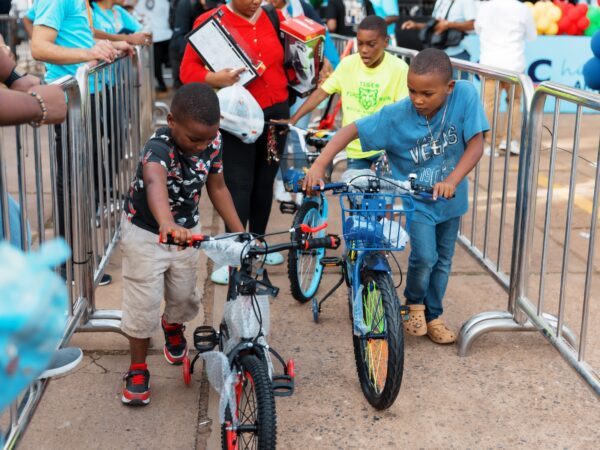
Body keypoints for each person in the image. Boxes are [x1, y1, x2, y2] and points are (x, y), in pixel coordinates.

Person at [303, 48, 489, 344]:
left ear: (448, 88)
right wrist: (320, 164)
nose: (418, 99)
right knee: (425, 257)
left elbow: (476, 145)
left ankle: (434, 315)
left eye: (427, 94)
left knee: (443, 261)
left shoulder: (464, 95)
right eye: (412, 90)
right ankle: (414, 304)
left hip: (452, 199)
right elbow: (350, 130)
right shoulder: (397, 115)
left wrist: (452, 180)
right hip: (417, 201)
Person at [120, 83, 244, 405]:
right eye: (194, 139)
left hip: (186, 232)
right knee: (142, 301)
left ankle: (172, 325)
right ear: (172, 121)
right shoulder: (157, 147)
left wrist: (239, 231)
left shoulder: (212, 141)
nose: (201, 146)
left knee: (184, 294)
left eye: (208, 139)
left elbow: (217, 187)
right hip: (146, 231)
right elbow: (154, 182)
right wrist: (166, 223)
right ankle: (137, 367)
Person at [180, 0, 291, 285]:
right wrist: (214, 77)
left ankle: (256, 246)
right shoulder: (211, 20)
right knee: (238, 187)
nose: (255, 1)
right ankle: (237, 256)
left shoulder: (273, 16)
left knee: (264, 184)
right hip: (236, 119)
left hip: (275, 116)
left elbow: (289, 60)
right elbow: (187, 71)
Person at [30, 0, 133, 286]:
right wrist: (88, 52)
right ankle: (67, 265)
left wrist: (113, 43)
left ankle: (79, 260)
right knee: (72, 185)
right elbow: (39, 46)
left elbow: (81, 34)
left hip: (89, 94)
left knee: (82, 182)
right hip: (70, 98)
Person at [282, 16, 409, 173]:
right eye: (360, 43)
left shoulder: (400, 68)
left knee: (381, 197)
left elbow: (404, 111)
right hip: (355, 148)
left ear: (386, 42)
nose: (364, 50)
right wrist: (294, 118)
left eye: (371, 44)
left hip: (385, 151)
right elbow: (322, 92)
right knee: (353, 195)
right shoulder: (348, 64)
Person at [265, 0, 340, 203]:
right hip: (275, 86)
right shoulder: (258, 10)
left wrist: (327, 61)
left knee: (298, 135)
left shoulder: (302, 8)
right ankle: (280, 182)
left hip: (301, 85)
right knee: (277, 137)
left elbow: (322, 37)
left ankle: (298, 182)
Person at [476, 0, 536, 156]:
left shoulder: (484, 7)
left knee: (489, 105)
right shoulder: (522, 9)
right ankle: (509, 141)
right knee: (514, 103)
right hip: (514, 65)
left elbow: (478, 30)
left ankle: (490, 144)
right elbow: (532, 36)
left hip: (489, 64)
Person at [169, 0, 223, 89]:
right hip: (181, 50)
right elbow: (180, 34)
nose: (207, 8)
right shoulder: (185, 5)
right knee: (183, 87)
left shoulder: (213, 7)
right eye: (206, 5)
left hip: (203, 51)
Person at [401, 0, 476, 63]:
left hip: (458, 55)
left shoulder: (466, 1)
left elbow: (473, 25)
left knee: (458, 80)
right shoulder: (440, 1)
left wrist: (448, 24)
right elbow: (435, 25)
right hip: (438, 55)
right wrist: (416, 25)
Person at [135, 0, 173, 92]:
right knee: (171, 62)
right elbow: (170, 15)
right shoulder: (164, 2)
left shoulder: (140, 3)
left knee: (156, 64)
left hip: (154, 37)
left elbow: (138, 17)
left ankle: (161, 84)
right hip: (166, 34)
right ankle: (175, 83)